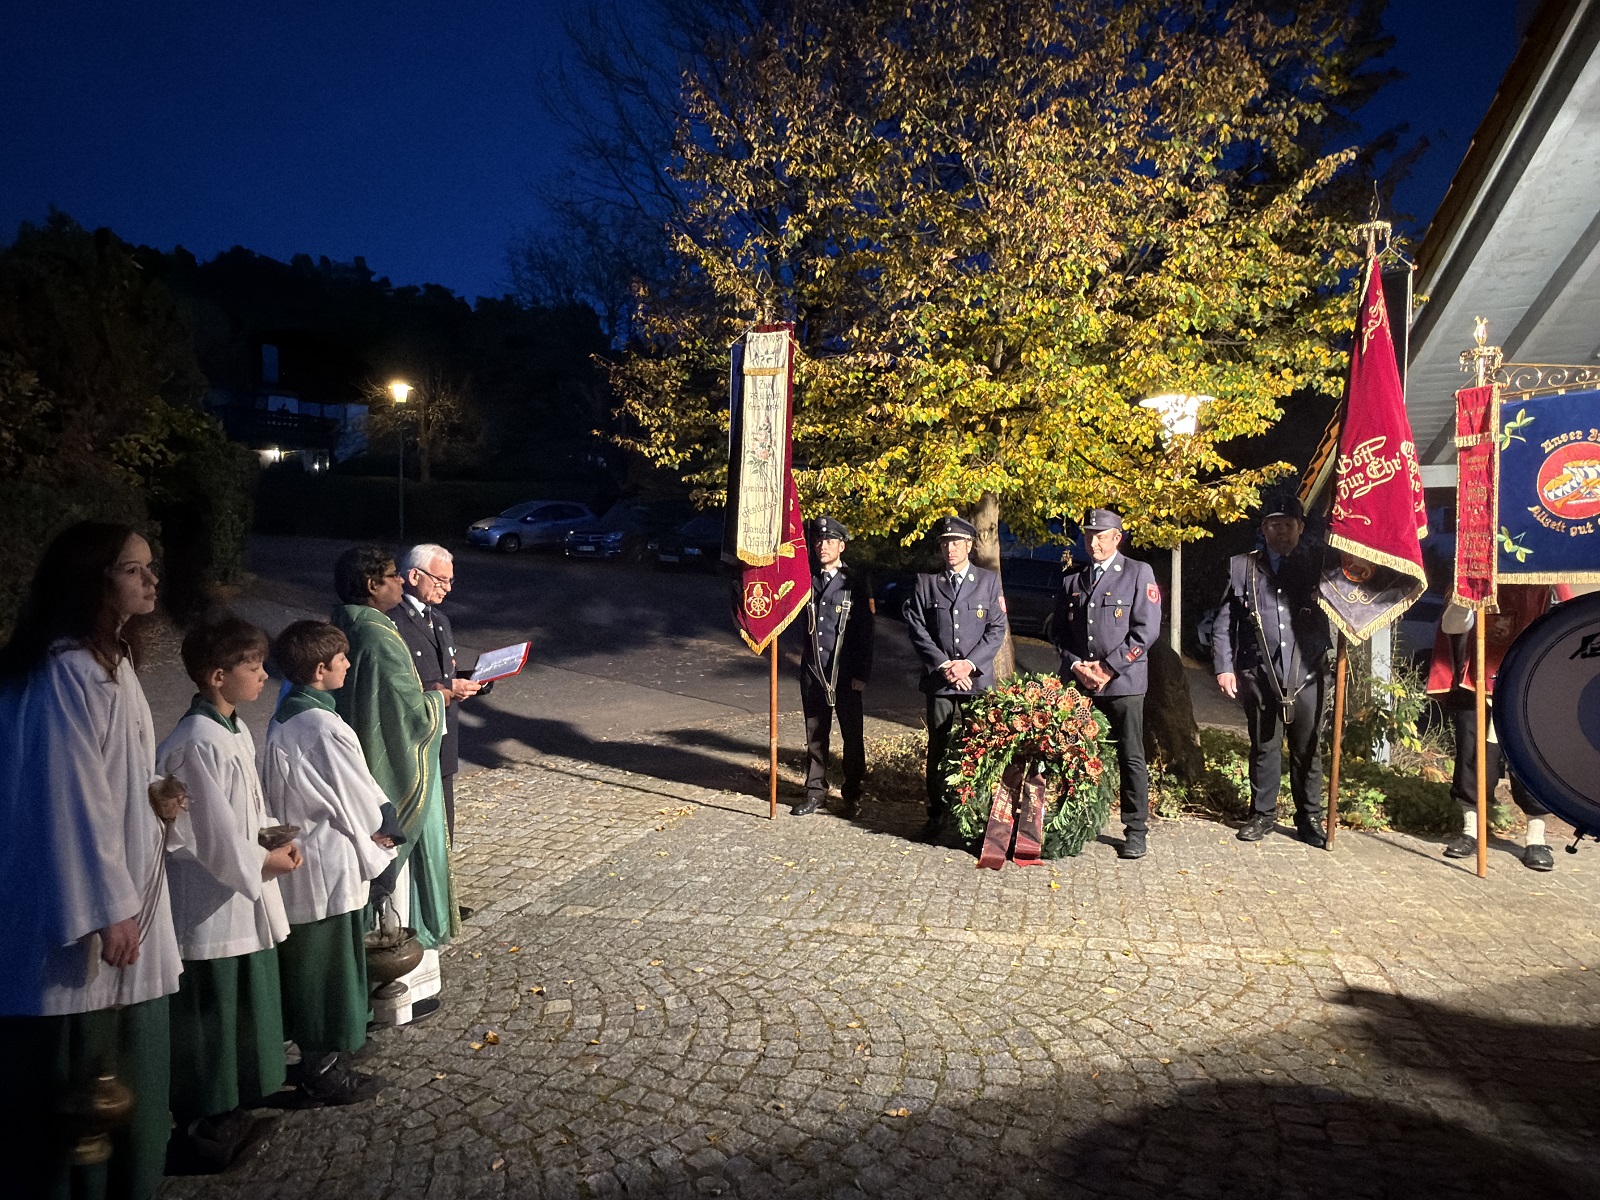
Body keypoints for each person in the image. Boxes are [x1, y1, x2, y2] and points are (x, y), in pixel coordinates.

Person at [0, 522, 184, 1200]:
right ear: (92, 581)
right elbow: (64, 795)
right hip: (86, 924)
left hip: (125, 893)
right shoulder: (65, 671)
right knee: (79, 1088)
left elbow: (112, 774)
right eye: (134, 570)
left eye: (148, 567)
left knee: (123, 1077)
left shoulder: (113, 661)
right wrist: (108, 909)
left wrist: (155, 794)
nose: (151, 580)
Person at [157, 614, 298, 1169]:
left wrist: (271, 835)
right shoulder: (196, 740)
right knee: (213, 1016)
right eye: (253, 666)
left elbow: (243, 807)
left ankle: (232, 1112)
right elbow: (203, 832)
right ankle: (207, 1128)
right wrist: (261, 859)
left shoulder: (233, 729)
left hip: (244, 891)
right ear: (217, 675)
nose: (264, 675)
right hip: (210, 906)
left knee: (242, 1011)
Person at [264, 620, 396, 1103]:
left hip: (314, 860)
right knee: (326, 971)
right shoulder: (319, 725)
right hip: (326, 862)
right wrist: (386, 823)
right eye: (340, 659)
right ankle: (322, 1067)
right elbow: (355, 791)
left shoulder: (290, 713)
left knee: (319, 965)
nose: (346, 664)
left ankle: (326, 1057)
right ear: (321, 670)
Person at [329, 546, 454, 1022]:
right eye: (390, 578)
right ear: (370, 585)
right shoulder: (379, 633)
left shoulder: (347, 621)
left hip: (362, 761)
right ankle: (394, 991)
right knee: (394, 884)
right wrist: (438, 698)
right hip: (390, 772)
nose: (400, 584)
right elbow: (408, 715)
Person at [1426, 584, 1573, 870]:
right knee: (1473, 756)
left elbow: (1563, 622)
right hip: (1478, 678)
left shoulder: (1545, 574)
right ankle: (1471, 830)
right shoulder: (1472, 570)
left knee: (1531, 759)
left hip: (1528, 679)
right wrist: (1464, 596)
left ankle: (1536, 838)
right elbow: (1453, 625)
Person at [1212, 498, 1332, 848]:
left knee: (1307, 748)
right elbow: (1225, 621)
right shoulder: (1242, 567)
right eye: (1273, 524)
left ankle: (1309, 818)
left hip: (1308, 674)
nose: (1280, 530)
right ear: (1263, 528)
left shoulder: (1318, 566)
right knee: (1263, 747)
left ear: (1300, 527)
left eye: (1287, 524)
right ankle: (1262, 815)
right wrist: (1223, 667)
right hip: (1260, 674)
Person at [1053, 509, 1161, 860]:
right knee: (1076, 754)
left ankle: (1136, 830)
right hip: (1081, 683)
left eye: (1101, 535)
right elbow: (1059, 634)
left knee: (1131, 756)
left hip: (1124, 683)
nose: (1093, 542)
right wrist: (1075, 665)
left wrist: (1108, 668)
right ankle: (1076, 821)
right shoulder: (1073, 580)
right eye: (1088, 535)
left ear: (1118, 538)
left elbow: (1146, 630)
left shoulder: (1137, 573)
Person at [905, 516, 1008, 840]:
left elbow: (996, 630)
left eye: (957, 542)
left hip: (976, 682)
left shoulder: (988, 582)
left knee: (978, 748)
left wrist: (968, 665)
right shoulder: (926, 583)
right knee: (938, 748)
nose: (951, 549)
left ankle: (977, 818)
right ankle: (938, 815)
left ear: (969, 546)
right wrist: (946, 665)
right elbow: (917, 628)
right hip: (940, 681)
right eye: (945, 543)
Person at [388, 544, 483, 841]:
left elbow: (444, 673)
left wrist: (470, 680)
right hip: (415, 737)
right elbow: (396, 683)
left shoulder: (440, 620)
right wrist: (445, 688)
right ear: (415, 576)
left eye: (450, 581)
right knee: (420, 827)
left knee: (444, 822)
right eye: (441, 580)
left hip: (444, 733)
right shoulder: (393, 620)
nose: (448, 589)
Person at [790, 516, 874, 817]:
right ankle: (815, 791)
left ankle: (852, 795)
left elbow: (866, 630)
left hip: (846, 674)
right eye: (818, 541)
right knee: (815, 734)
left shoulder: (855, 582)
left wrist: (862, 673)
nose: (822, 546)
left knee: (852, 737)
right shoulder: (806, 579)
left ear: (841, 545)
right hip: (814, 672)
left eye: (829, 541)